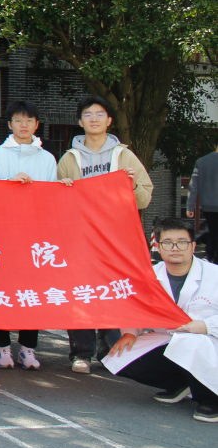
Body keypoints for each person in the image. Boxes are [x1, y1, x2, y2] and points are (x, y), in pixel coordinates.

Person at [57, 94, 155, 373]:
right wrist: (62, 189)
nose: (94, 119)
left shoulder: (124, 156)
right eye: (88, 114)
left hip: (116, 238)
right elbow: (56, 205)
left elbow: (144, 198)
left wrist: (131, 185)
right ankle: (81, 354)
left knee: (113, 292)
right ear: (80, 121)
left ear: (110, 120)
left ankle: (109, 351)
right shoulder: (70, 158)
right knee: (81, 293)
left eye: (100, 114)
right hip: (80, 239)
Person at [103, 219, 218, 423]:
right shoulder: (149, 276)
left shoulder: (214, 275)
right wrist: (130, 332)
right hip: (168, 337)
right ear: (157, 246)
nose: (175, 248)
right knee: (117, 354)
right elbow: (136, 310)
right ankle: (179, 384)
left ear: (193, 246)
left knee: (191, 344)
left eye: (182, 242)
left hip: (208, 339)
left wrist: (205, 326)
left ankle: (210, 400)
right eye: (167, 242)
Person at [0, 100, 56, 369]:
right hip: (2, 233)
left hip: (35, 235)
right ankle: (2, 347)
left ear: (36, 124)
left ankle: (28, 348)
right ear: (10, 124)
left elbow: (52, 197)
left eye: (29, 120)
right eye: (18, 120)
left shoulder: (47, 159)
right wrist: (8, 186)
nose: (23, 125)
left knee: (33, 292)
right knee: (1, 290)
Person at [190, 141, 218, 260]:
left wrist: (190, 206)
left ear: (214, 145)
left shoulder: (201, 161)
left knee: (213, 231)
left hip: (208, 206)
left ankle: (210, 257)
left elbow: (194, 185)